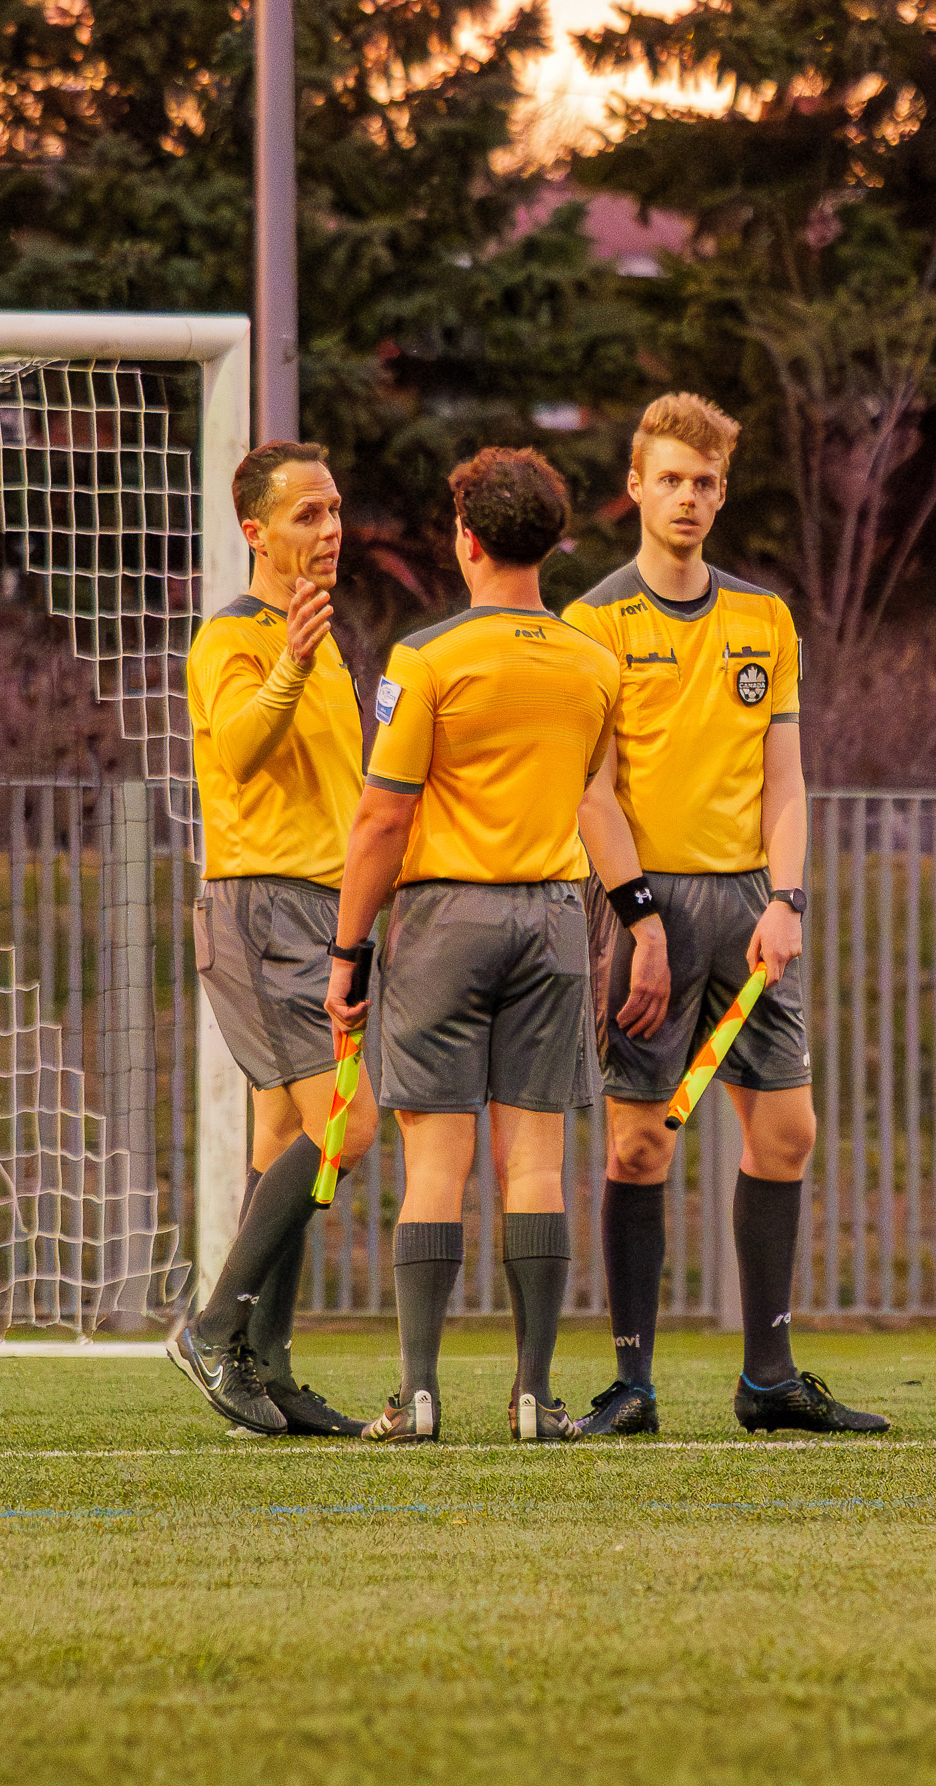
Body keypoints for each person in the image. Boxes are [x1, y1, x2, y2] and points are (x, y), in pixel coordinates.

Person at [565, 393, 889, 1437]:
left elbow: (788, 783)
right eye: (670, 479)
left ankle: (768, 1380)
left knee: (787, 1133)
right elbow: (591, 792)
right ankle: (632, 1386)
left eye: (705, 482)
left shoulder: (765, 617)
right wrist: (641, 921)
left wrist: (788, 899)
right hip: (648, 911)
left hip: (753, 908)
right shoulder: (595, 622)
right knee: (639, 1148)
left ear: (721, 492)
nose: (689, 498)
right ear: (636, 487)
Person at [325, 447, 633, 1444]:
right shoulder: (595, 662)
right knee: (535, 1163)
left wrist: (348, 950)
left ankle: (417, 1397)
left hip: (447, 920)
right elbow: (590, 791)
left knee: (435, 1166)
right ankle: (537, 1400)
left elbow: (381, 817)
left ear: (465, 537)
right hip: (552, 920)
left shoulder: (427, 660)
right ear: (552, 541)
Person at [168, 439, 378, 1438]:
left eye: (335, 511)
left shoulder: (324, 640)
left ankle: (269, 1363)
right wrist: (291, 660)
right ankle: (213, 1328)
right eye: (308, 514)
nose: (330, 530)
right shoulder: (235, 639)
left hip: (321, 914)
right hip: (262, 908)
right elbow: (242, 755)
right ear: (255, 531)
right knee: (349, 1124)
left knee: (284, 1139)